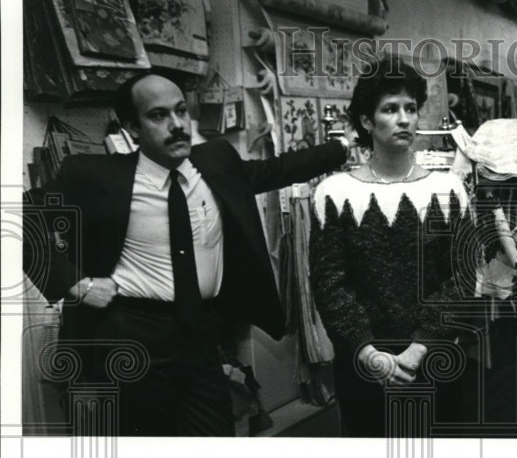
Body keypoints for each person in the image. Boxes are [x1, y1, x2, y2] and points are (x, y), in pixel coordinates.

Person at [24, 71, 347, 436]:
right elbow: (23, 216)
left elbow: (276, 170)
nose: (177, 125)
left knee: (213, 440)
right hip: (133, 336)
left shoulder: (215, 162)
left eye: (181, 111)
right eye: (158, 115)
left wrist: (343, 148)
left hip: (202, 335)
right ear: (132, 126)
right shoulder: (94, 175)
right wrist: (75, 284)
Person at [309, 57, 475, 436]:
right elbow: (329, 283)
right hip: (364, 365)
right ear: (367, 121)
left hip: (435, 358)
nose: (404, 119)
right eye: (390, 109)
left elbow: (463, 278)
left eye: (411, 109)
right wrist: (367, 352)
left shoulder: (448, 190)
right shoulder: (334, 193)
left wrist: (419, 348)